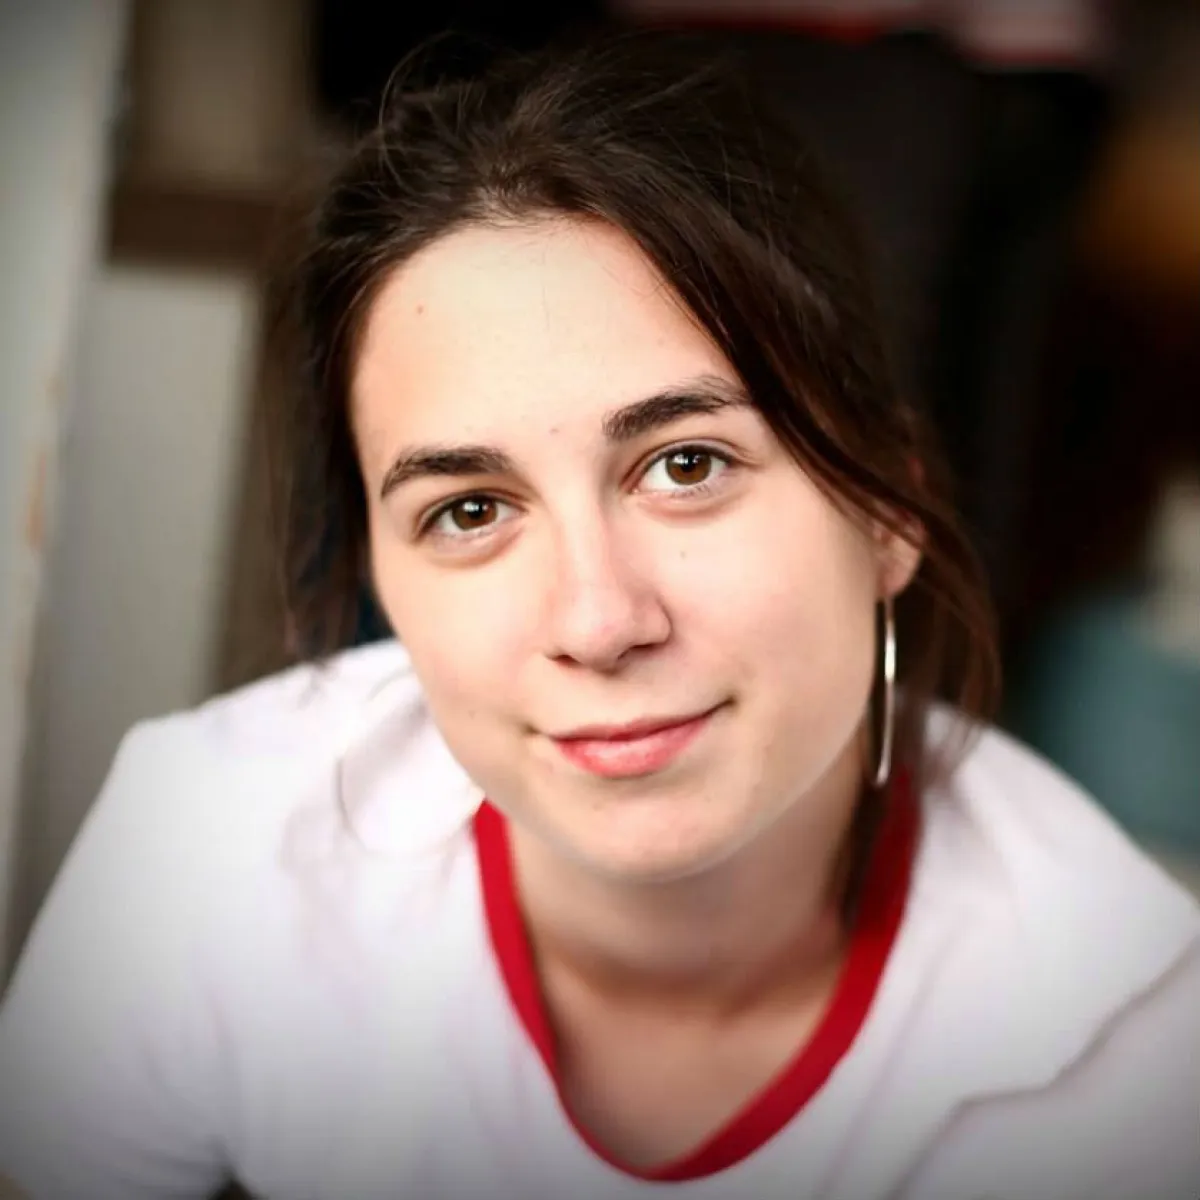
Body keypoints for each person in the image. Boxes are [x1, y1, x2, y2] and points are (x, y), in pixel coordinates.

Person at [1, 31, 1197, 1200]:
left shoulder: (1122, 1033)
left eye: (687, 465)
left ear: (888, 511)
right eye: (470, 510)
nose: (597, 619)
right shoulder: (211, 854)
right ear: (380, 573)